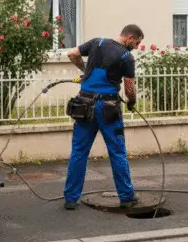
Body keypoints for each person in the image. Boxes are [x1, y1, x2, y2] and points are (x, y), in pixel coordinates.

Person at [62, 24, 144, 210]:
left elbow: (73, 53)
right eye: (137, 43)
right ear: (130, 38)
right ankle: (126, 197)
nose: (136, 47)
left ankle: (70, 199)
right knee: (117, 152)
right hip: (108, 108)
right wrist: (131, 102)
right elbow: (129, 87)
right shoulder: (126, 57)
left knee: (79, 151)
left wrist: (85, 72)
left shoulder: (96, 42)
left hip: (84, 105)